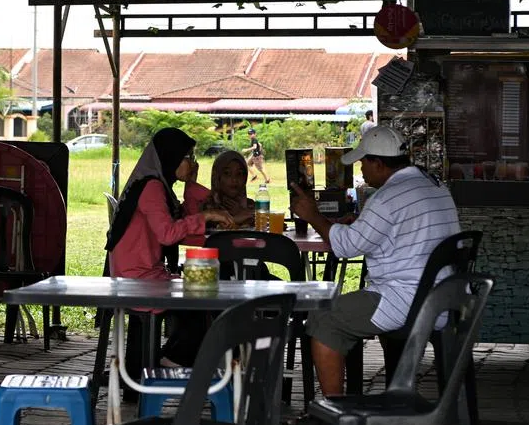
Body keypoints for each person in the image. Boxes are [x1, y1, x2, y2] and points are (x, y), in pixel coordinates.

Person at [289, 126, 459, 398]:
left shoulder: (387, 197)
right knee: (347, 309)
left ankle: (336, 410)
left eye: (363, 163)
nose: (361, 171)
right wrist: (360, 225)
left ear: (378, 163)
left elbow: (346, 247)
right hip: (442, 297)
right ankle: (393, 391)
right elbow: (400, 232)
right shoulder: (434, 185)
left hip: (406, 300)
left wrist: (313, 216)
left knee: (323, 318)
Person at [106, 128, 234, 380]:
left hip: (146, 272)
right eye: (188, 156)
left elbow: (181, 227)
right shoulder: (151, 187)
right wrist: (205, 216)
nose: (192, 163)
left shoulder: (160, 184)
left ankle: (165, 360)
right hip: (137, 277)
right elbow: (168, 234)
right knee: (203, 298)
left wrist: (192, 187)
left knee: (203, 292)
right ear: (171, 156)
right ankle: (169, 361)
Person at [192, 150, 255, 227]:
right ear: (217, 177)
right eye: (227, 173)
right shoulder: (207, 207)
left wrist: (243, 211)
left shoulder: (251, 206)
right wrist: (235, 219)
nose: (234, 179)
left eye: (239, 174)